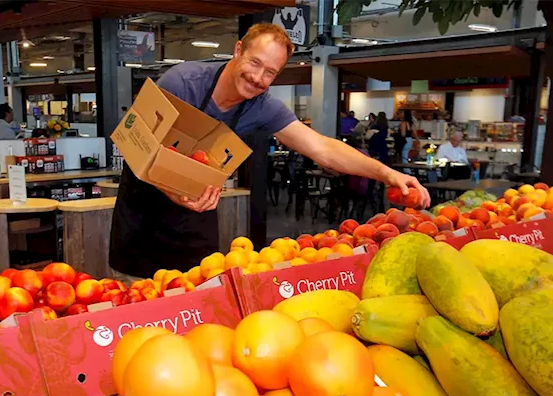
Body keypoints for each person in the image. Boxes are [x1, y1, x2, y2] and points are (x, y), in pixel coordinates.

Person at [108, 23, 429, 281]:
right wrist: (171, 189)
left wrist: (388, 173)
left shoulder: (262, 107)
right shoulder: (183, 82)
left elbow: (323, 148)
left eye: (270, 73)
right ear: (238, 50)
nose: (258, 78)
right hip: (144, 212)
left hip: (195, 215)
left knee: (195, 301)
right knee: (139, 308)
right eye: (254, 63)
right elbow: (136, 143)